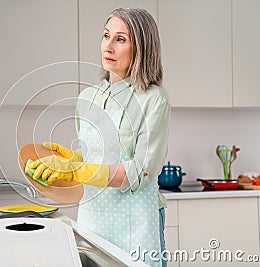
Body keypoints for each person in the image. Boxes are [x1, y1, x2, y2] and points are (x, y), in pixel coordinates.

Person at [29, 7, 170, 267]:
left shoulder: (153, 99)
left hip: (137, 222)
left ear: (142, 47)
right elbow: (95, 157)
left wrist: (75, 171)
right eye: (106, 36)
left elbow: (140, 173)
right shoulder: (88, 98)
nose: (109, 46)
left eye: (121, 39)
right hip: (93, 219)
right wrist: (71, 158)